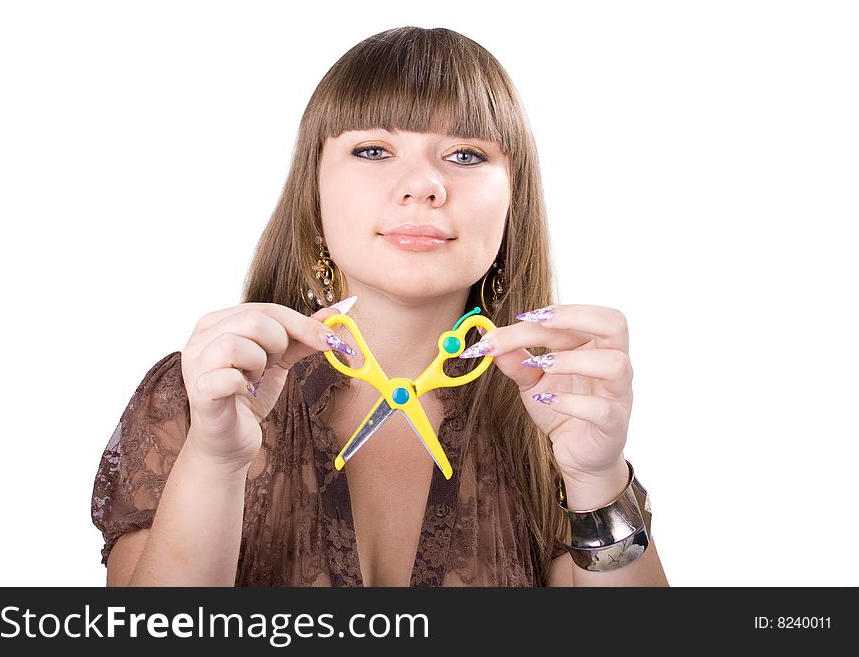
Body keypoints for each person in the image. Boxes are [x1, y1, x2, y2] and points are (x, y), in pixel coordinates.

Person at [91, 25, 669, 587]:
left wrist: (596, 480)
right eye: (373, 149)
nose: (422, 185)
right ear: (311, 195)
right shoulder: (200, 396)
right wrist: (214, 463)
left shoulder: (557, 411)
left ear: (513, 205)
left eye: (466, 155)